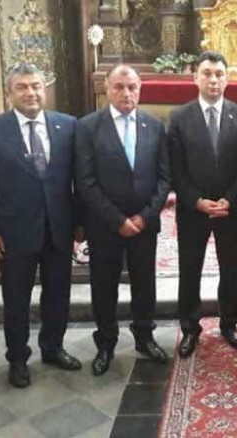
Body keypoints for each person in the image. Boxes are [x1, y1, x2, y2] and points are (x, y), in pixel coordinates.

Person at [0, 63, 83, 389]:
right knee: (16, 299)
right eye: (22, 87)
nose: (31, 92)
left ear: (44, 88)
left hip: (59, 227)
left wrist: (79, 223)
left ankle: (53, 347)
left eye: (36, 85)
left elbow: (77, 180)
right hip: (13, 231)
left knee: (58, 294)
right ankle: (18, 358)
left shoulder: (68, 125)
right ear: (9, 92)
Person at [75, 64, 171, 375]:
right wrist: (117, 220)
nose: (126, 93)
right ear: (107, 88)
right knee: (104, 286)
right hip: (105, 225)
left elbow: (164, 178)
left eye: (132, 87)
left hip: (144, 225)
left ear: (140, 89)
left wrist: (144, 217)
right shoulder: (87, 127)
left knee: (145, 283)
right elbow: (85, 181)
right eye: (119, 87)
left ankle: (144, 336)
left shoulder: (154, 126)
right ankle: (106, 343)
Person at [168, 51, 237, 357]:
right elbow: (175, 169)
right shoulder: (179, 117)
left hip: (230, 210)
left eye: (219, 74)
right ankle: (190, 328)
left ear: (227, 79)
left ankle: (230, 323)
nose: (213, 79)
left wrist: (230, 199)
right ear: (195, 77)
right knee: (189, 269)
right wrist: (196, 201)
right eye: (207, 73)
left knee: (230, 269)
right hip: (193, 210)